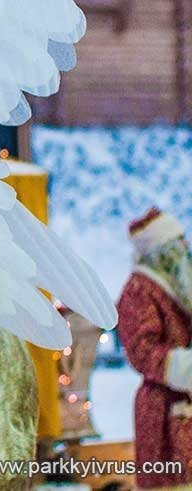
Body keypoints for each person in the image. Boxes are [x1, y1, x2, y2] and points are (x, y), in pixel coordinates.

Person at [118, 207, 192, 490]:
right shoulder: (139, 289)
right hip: (163, 409)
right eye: (179, 243)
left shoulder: (182, 286)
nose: (186, 248)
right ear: (163, 251)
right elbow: (141, 350)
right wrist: (184, 366)